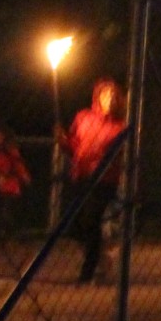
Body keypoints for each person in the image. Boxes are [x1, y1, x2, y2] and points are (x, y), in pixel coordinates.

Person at [61, 79, 126, 283]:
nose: (109, 99)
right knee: (75, 224)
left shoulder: (120, 126)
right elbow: (74, 147)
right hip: (81, 176)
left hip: (104, 180)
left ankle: (87, 271)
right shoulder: (83, 117)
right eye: (105, 94)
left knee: (90, 220)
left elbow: (115, 154)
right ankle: (101, 254)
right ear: (97, 97)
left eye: (113, 95)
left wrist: (97, 160)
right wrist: (64, 141)